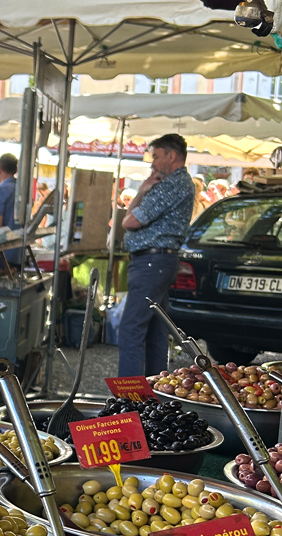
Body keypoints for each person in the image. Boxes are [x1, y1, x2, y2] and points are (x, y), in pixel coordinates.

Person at [119, 133, 195, 377]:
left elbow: (129, 221)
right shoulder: (176, 184)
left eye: (156, 156)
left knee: (132, 330)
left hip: (152, 263)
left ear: (171, 156)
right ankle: (154, 391)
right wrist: (142, 189)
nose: (152, 163)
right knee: (155, 332)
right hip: (158, 261)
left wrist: (142, 191)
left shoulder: (173, 184)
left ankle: (128, 399)